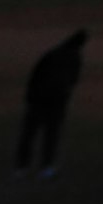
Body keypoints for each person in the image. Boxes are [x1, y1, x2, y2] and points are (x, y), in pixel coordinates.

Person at [16, 29, 87, 176]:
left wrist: (30, 97)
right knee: (50, 136)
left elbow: (35, 76)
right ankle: (45, 167)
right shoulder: (74, 58)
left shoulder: (53, 54)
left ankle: (22, 168)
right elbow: (73, 81)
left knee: (30, 134)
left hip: (39, 101)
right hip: (55, 103)